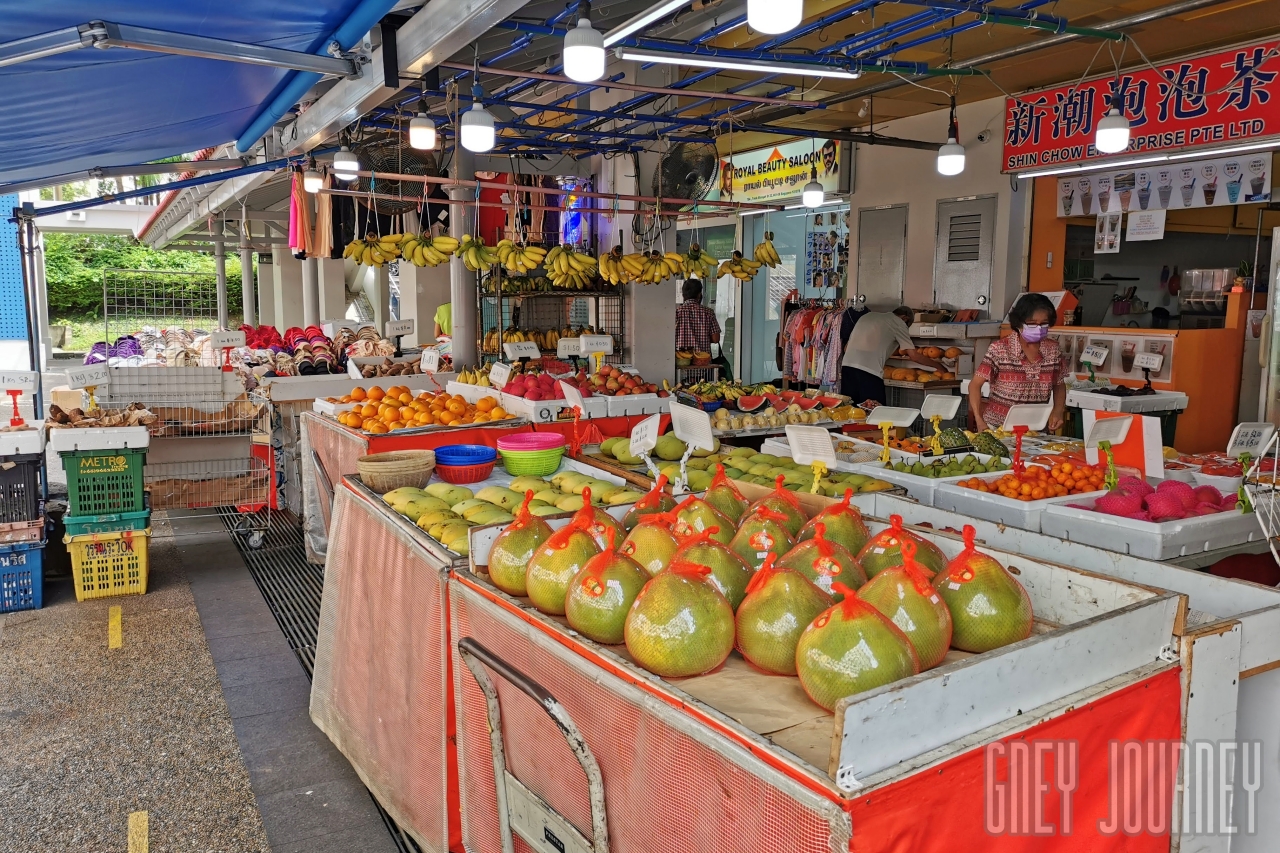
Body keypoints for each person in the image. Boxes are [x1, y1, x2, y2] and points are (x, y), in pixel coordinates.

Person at [969, 293, 1066, 432]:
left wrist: (1058, 411)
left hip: (1036, 429)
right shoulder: (1000, 349)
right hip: (998, 429)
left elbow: (1059, 384)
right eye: (1032, 324)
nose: (1038, 328)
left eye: (1044, 323)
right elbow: (974, 385)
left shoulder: (1053, 349)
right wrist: (979, 419)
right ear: (1019, 323)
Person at [841, 307, 944, 404]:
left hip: (847, 368)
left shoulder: (867, 316)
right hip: (869, 373)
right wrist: (939, 366)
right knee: (875, 413)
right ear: (905, 318)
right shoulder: (898, 322)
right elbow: (914, 356)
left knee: (851, 412)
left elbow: (846, 348)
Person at [675, 278, 720, 354]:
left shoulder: (677, 312)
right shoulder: (709, 312)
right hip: (703, 361)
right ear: (699, 295)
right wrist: (702, 338)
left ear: (683, 295)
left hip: (682, 359)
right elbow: (716, 339)